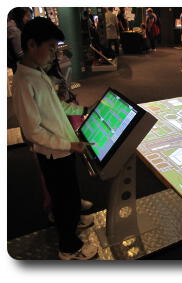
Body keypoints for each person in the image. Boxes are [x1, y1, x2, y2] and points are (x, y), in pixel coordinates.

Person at [12, 17, 98, 260]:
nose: (54, 53)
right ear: (31, 45)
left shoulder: (36, 72)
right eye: (50, 47)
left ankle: (75, 217)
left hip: (62, 150)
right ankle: (69, 247)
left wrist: (80, 110)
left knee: (70, 192)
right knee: (62, 201)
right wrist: (68, 144)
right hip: (54, 153)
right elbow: (32, 131)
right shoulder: (23, 82)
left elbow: (55, 107)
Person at [7, 7, 32, 73]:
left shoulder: (10, 25)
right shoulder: (13, 29)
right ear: (19, 16)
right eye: (28, 16)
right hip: (15, 69)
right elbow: (21, 54)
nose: (30, 19)